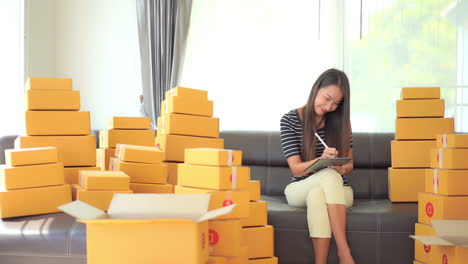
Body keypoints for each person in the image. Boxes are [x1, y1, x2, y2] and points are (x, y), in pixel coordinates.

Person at [280, 68, 355, 264]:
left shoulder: (342, 123)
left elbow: (349, 165)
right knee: (326, 178)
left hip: (339, 191)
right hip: (299, 188)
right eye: (326, 98)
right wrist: (321, 161)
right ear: (316, 88)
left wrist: (342, 168)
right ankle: (344, 253)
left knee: (318, 194)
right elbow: (296, 168)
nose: (329, 106)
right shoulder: (289, 120)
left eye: (336, 103)